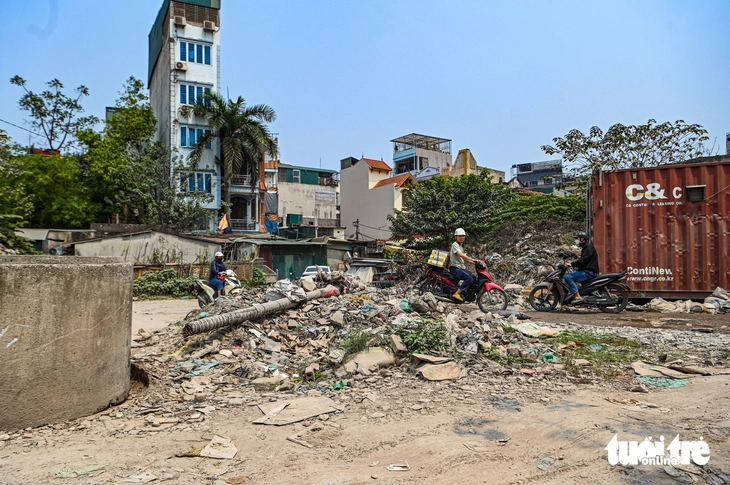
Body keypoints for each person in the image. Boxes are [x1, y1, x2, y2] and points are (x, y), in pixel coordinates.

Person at [564, 232, 600, 302]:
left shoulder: (588, 247)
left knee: (568, 277)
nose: (576, 240)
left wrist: (572, 264)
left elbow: (584, 259)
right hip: (587, 271)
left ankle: (577, 296)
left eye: (577, 238)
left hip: (589, 272)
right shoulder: (586, 247)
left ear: (582, 239)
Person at [449, 228, 477, 302]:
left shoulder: (460, 246)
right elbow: (461, 255)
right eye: (459, 236)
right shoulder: (455, 245)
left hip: (460, 268)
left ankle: (466, 293)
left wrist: (475, 262)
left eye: (463, 236)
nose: (461, 238)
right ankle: (457, 294)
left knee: (474, 278)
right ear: (456, 237)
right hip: (455, 268)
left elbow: (465, 258)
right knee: (469, 279)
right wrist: (472, 259)